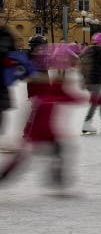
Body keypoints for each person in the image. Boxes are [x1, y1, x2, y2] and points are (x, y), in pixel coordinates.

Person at [0, 43, 81, 189]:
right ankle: (4, 176)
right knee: (26, 156)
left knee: (55, 151)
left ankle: (58, 180)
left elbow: (69, 97)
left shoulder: (53, 84)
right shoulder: (45, 82)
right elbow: (63, 97)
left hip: (46, 128)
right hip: (40, 128)